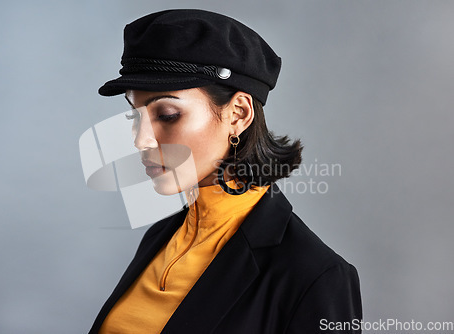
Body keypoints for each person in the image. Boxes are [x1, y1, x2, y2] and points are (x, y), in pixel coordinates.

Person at [88, 9, 362, 334]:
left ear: (238, 114)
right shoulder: (161, 236)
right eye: (136, 116)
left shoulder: (314, 276)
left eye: (168, 114)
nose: (141, 140)